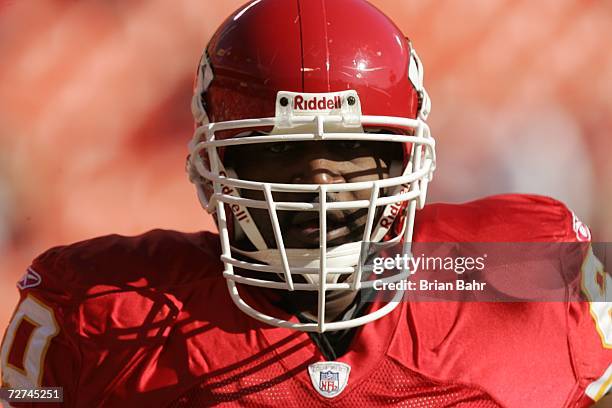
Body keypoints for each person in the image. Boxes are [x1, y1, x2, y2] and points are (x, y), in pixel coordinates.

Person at [1, 0, 610, 406]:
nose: (320, 183)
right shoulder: (96, 312)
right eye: (276, 151)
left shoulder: (532, 269)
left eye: (349, 149)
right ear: (217, 163)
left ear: (405, 158)